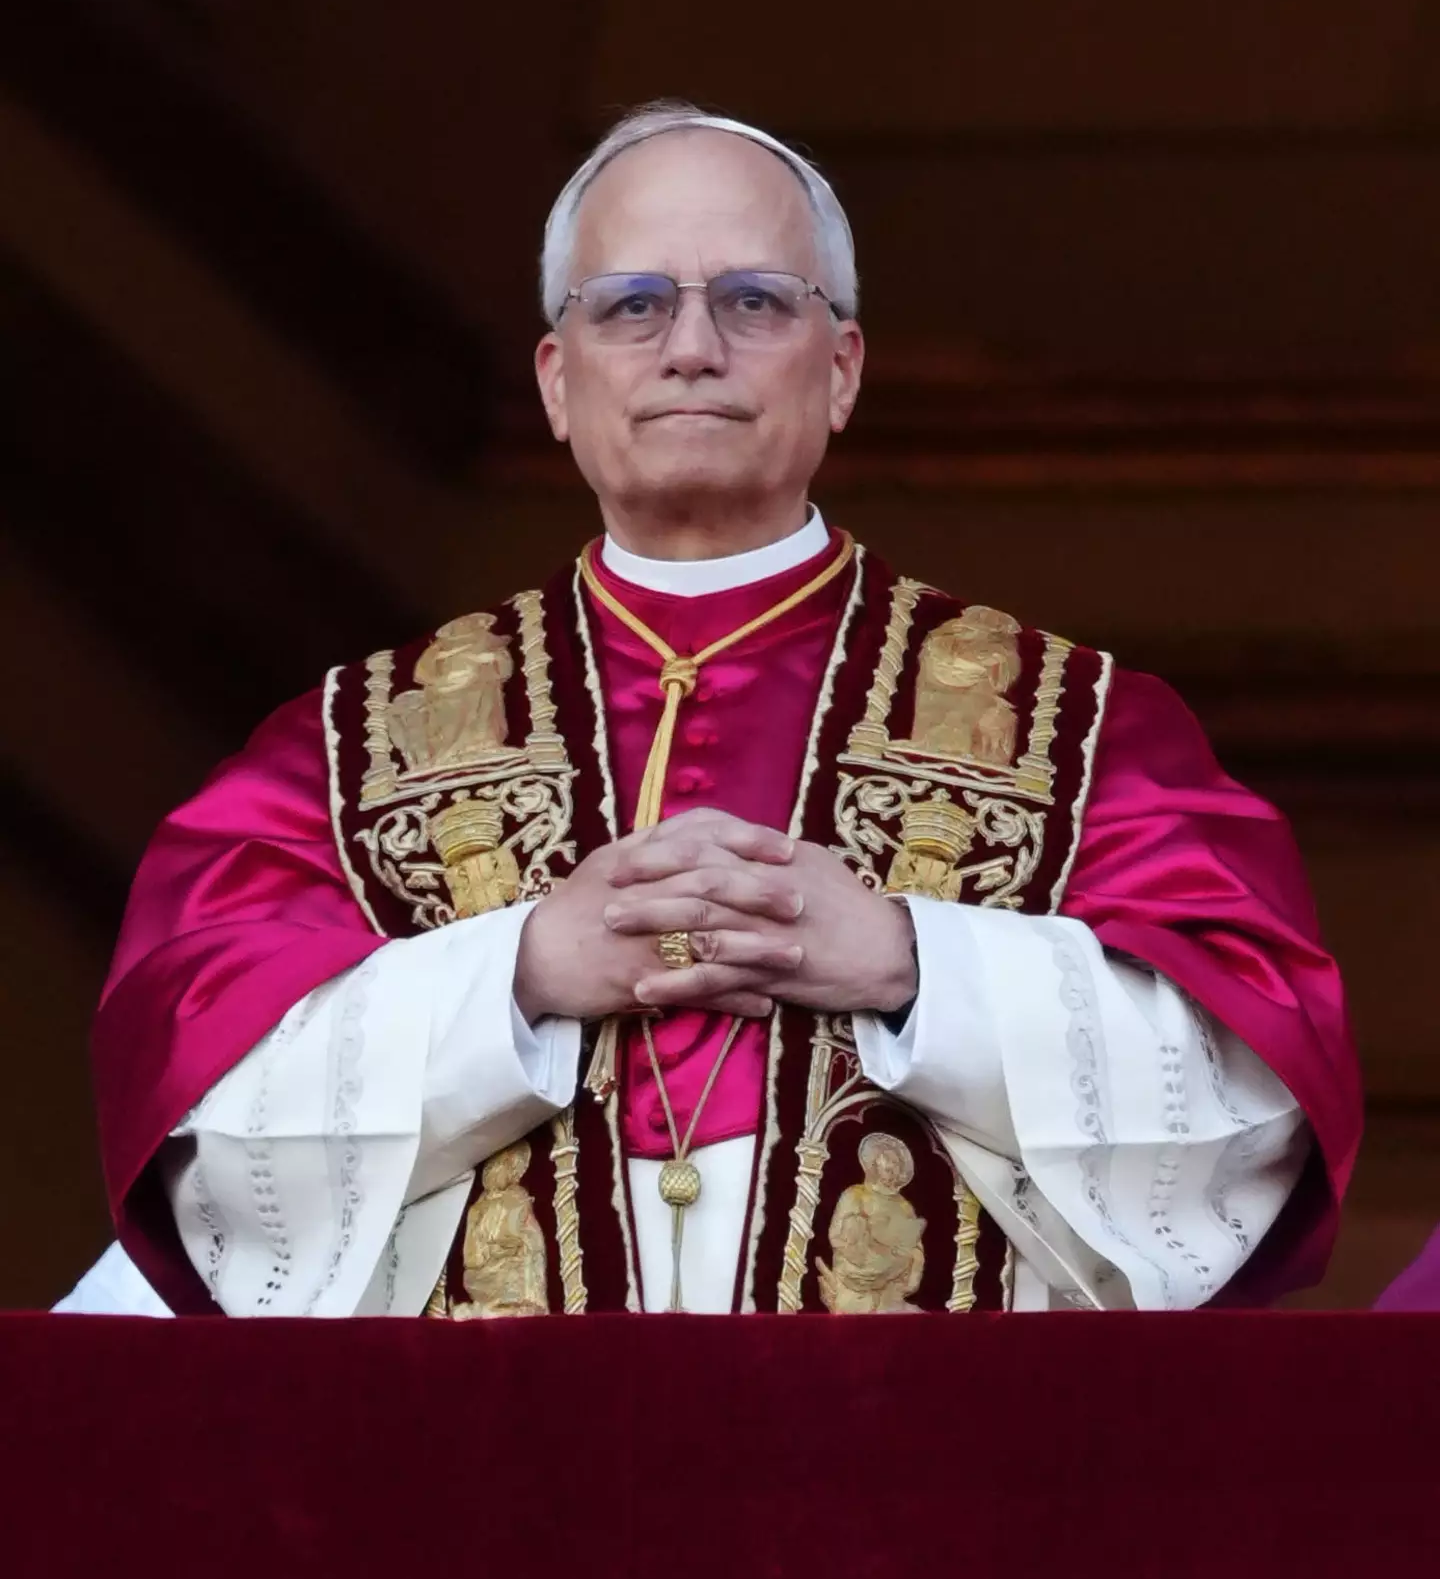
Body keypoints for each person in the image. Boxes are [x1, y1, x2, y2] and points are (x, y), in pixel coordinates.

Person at [67, 101, 1360, 1320]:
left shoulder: (1078, 732)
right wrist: (514, 978)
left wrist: (919, 968)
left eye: (754, 300)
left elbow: (1252, 1106)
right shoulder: (346, 756)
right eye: (633, 306)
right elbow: (197, 1122)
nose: (693, 345)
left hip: (920, 1495)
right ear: (559, 381)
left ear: (842, 368)